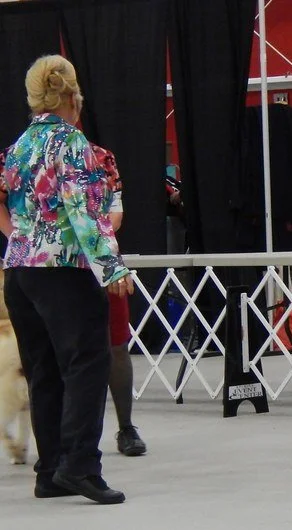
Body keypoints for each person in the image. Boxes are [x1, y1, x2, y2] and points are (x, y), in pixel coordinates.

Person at [0, 55, 133, 504]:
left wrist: (20, 236)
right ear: (74, 96)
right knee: (86, 364)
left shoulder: (18, 146)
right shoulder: (73, 143)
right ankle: (80, 467)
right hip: (64, 271)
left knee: (43, 372)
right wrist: (112, 266)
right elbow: (86, 213)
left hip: (19, 271)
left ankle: (50, 470)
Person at [91, 145, 147, 457]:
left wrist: (98, 241)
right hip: (54, 265)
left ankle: (126, 426)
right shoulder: (23, 154)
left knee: (117, 343)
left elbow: (117, 211)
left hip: (102, 258)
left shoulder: (102, 157)